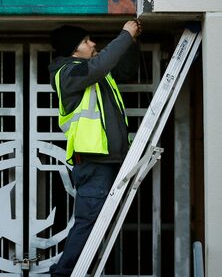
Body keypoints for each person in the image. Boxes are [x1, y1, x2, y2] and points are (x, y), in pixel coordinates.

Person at [47, 20, 141, 276]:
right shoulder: (67, 72)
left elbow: (125, 70)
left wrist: (130, 43)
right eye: (87, 40)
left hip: (109, 160)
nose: (93, 44)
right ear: (73, 49)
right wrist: (124, 34)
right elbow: (98, 67)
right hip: (93, 160)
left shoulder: (95, 71)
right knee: (88, 222)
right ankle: (64, 272)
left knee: (102, 222)